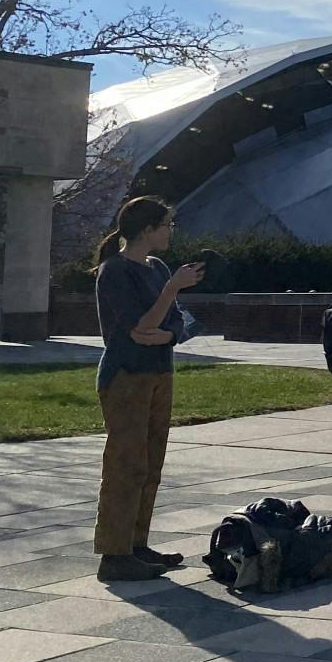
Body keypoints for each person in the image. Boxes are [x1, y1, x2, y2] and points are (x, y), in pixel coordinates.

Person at [90, 197, 201, 581]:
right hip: (125, 377)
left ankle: (136, 544)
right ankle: (114, 554)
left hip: (159, 372)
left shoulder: (157, 267)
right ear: (146, 230)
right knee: (126, 465)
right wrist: (170, 290)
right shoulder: (115, 271)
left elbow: (174, 322)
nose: (171, 231)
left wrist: (165, 335)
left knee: (151, 464)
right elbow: (138, 325)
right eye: (167, 224)